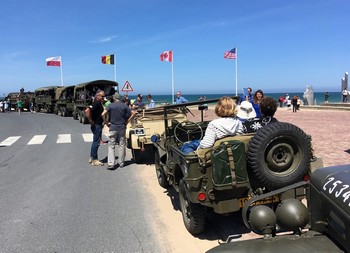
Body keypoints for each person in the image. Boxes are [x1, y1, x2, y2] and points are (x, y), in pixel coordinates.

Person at [102, 93, 136, 170]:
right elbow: (133, 113)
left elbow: (103, 114)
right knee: (122, 145)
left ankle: (111, 163)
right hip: (122, 127)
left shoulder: (110, 105)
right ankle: (121, 162)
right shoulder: (124, 105)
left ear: (114, 98)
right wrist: (127, 121)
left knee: (111, 145)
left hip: (113, 127)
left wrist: (106, 122)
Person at [85, 90, 105, 166]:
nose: (103, 98)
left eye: (104, 96)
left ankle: (92, 157)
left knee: (95, 141)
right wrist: (90, 120)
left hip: (97, 125)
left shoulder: (97, 102)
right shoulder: (96, 103)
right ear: (98, 96)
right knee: (96, 142)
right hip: (97, 125)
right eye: (102, 96)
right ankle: (94, 159)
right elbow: (87, 111)